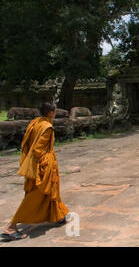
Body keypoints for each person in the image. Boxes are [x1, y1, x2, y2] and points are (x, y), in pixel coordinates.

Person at [1, 102, 69, 241]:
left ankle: (58, 215)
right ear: (50, 113)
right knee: (36, 195)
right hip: (41, 165)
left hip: (32, 163)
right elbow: (38, 149)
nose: (55, 113)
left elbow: (26, 143)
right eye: (54, 111)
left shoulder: (35, 122)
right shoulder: (47, 127)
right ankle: (11, 227)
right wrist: (46, 166)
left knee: (51, 190)